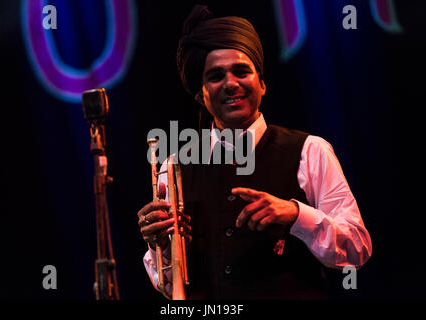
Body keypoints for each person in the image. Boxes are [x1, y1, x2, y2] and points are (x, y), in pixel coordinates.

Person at [137, 5, 372, 299]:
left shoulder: (310, 150)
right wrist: (158, 245)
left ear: (261, 84)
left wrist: (295, 214)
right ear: (201, 95)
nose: (231, 83)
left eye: (241, 71)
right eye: (215, 76)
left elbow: (356, 248)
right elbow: (169, 286)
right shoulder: (175, 167)